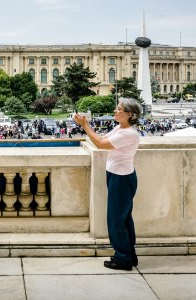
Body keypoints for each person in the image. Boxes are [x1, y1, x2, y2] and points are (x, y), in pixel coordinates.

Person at [73, 98, 142, 271]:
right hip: (119, 176)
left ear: (129, 114)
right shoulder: (121, 128)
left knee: (116, 220)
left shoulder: (128, 134)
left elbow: (100, 143)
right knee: (124, 219)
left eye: (119, 109)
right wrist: (87, 125)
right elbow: (102, 137)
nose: (115, 111)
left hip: (122, 179)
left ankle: (123, 259)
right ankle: (129, 255)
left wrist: (85, 125)